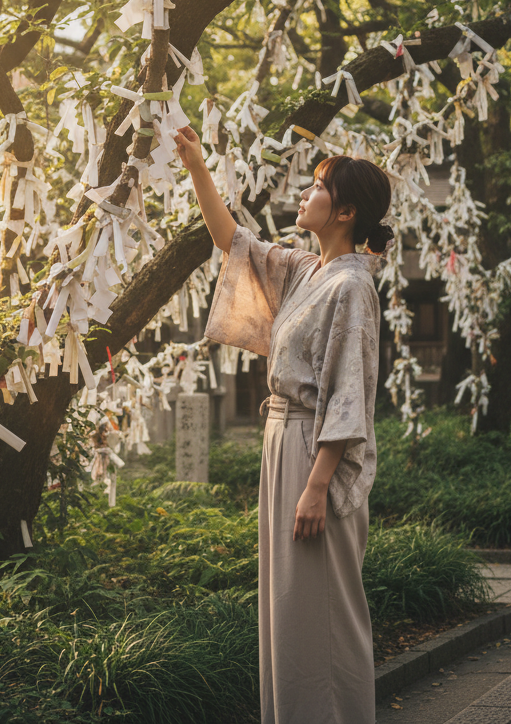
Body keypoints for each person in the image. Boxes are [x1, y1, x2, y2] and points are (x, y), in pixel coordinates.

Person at [174, 126, 393, 724]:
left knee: (321, 604)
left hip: (311, 450)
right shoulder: (305, 270)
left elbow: (350, 393)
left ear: (345, 211)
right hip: (284, 441)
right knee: (289, 605)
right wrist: (197, 166)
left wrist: (318, 484)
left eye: (317, 187)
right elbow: (232, 241)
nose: (304, 193)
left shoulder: (351, 285)